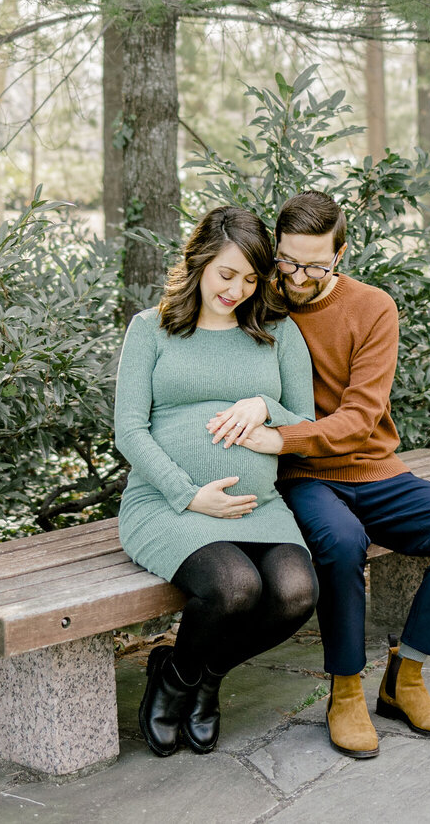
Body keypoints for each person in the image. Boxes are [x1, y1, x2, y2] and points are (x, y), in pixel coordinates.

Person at [217, 191, 430, 760]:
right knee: (341, 544)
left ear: (341, 255)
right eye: (288, 261)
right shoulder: (256, 303)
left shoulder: (373, 307)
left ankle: (404, 678)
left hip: (372, 465)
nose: (297, 276)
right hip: (299, 476)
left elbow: (361, 421)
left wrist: (281, 434)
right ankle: (345, 692)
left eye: (315, 265)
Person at [114, 206, 319, 758]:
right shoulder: (150, 328)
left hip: (258, 505)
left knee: (297, 592)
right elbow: (129, 431)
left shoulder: (277, 332)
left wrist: (263, 404)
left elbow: (304, 421)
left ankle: (198, 675)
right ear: (200, 261)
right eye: (227, 274)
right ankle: (177, 681)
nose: (237, 289)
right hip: (167, 505)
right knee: (234, 587)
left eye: (251, 279)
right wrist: (188, 495)